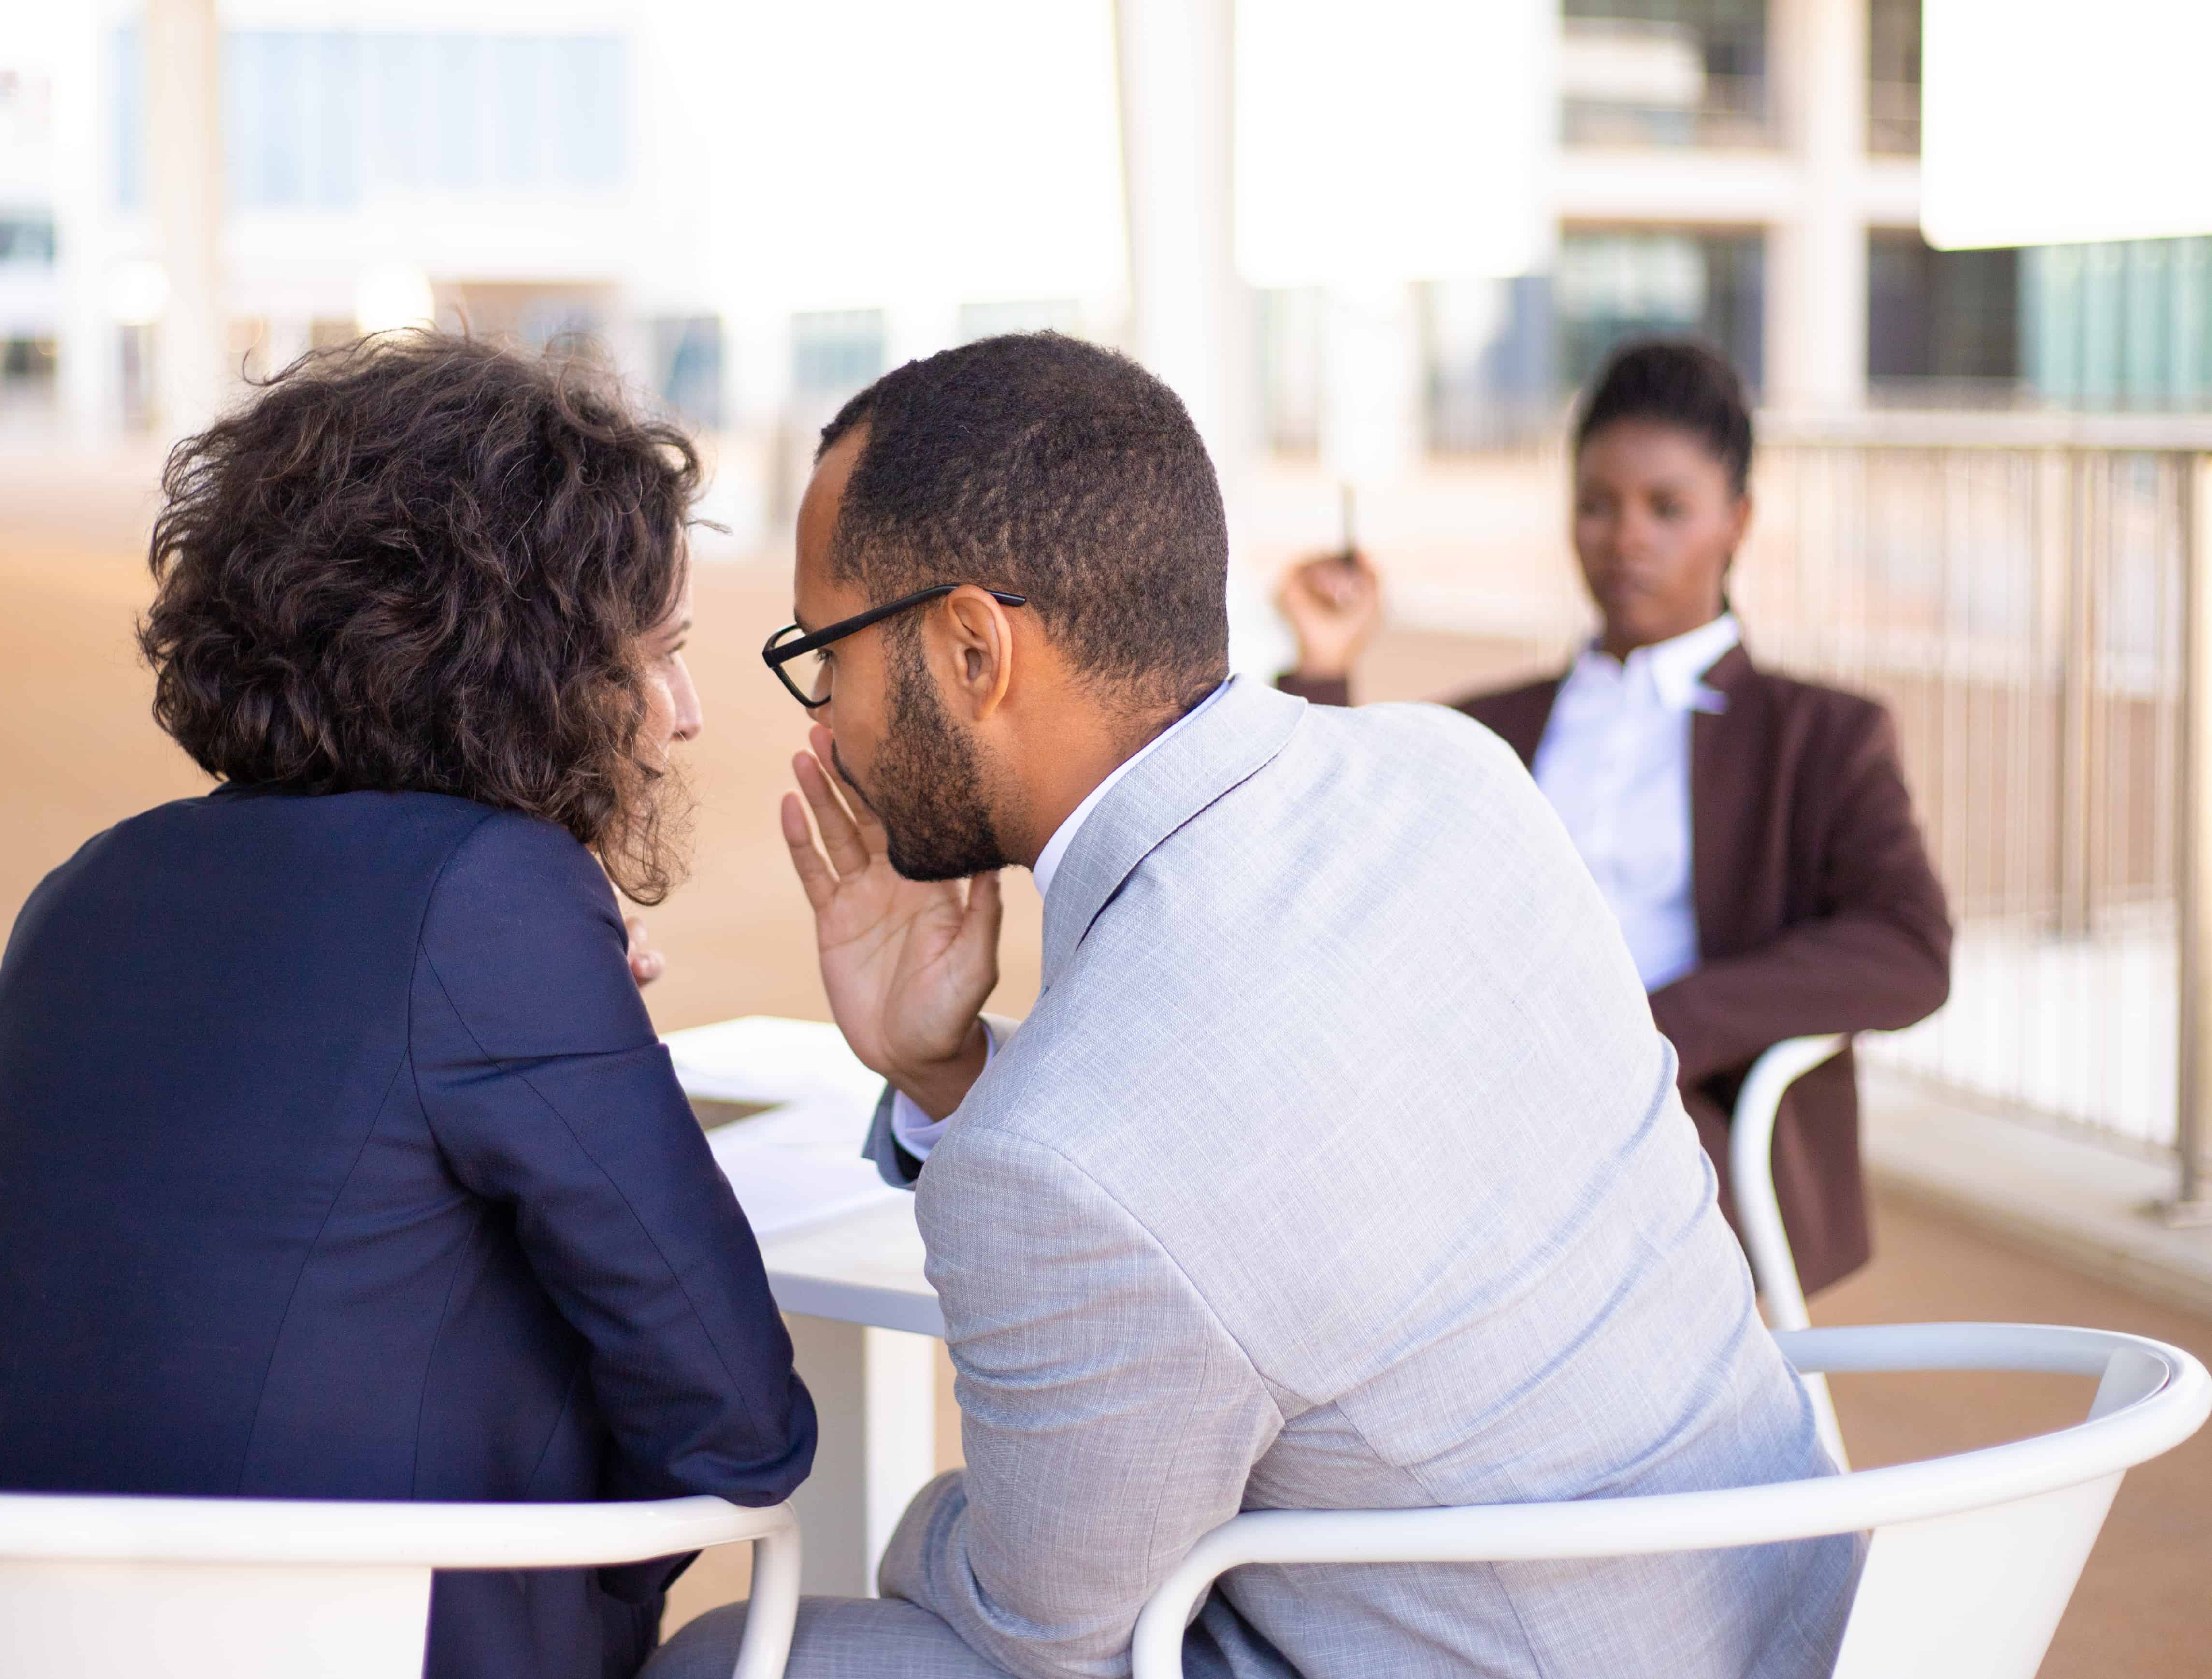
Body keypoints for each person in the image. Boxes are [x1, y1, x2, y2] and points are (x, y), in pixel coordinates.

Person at [654, 333, 1855, 1679]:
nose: (824, 719)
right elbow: (1265, 1176)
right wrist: (943, 1072)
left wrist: (913, 1530)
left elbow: (1037, 1629)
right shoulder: (1455, 775)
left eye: (827, 650)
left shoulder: (1071, 1152)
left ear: (974, 648)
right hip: (1804, 1603)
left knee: (738, 1658)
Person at [0, 333, 817, 1679]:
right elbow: (741, 1426)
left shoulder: (89, 887)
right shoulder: (495, 896)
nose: (686, 713)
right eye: (652, 655)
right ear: (520, 666)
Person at [1276, 338, 1951, 1297]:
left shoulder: (1821, 735)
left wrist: (1656, 1030)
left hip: (1682, 1121)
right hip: (1488, 1104)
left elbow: (1908, 950)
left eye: (1666, 508)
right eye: (1596, 505)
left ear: (1737, 522)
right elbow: (1334, 868)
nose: (1624, 538)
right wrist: (1321, 661)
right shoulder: (1488, 731)